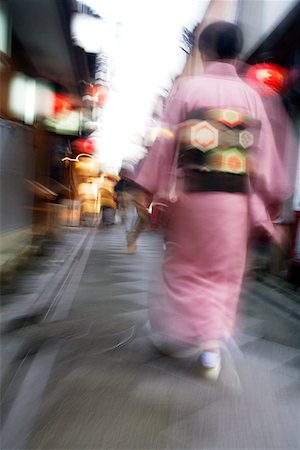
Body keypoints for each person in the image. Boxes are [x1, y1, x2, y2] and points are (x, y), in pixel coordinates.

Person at [131, 21, 294, 381]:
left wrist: (148, 185)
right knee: (224, 273)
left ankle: (172, 333)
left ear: (204, 51)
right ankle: (210, 349)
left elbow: (166, 143)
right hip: (233, 201)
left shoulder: (188, 89)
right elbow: (263, 156)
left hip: (192, 193)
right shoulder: (253, 95)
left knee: (183, 267)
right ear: (235, 54)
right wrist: (270, 196)